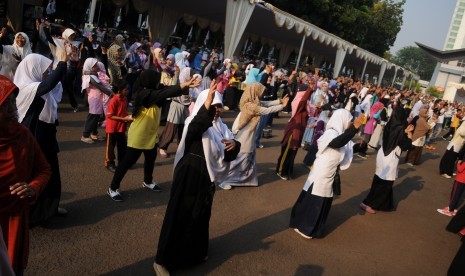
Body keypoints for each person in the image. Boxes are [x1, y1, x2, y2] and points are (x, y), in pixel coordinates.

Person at [154, 83, 240, 276]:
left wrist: (234, 143)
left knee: (200, 217)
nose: (217, 110)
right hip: (189, 177)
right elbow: (195, 129)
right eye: (213, 105)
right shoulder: (195, 122)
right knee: (179, 216)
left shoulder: (222, 128)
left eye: (219, 106)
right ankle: (162, 261)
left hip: (206, 180)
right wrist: (207, 105)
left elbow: (232, 145)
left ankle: (194, 254)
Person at [107, 70, 201, 201]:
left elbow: (167, 89)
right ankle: (113, 187)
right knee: (127, 162)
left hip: (151, 133)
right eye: (156, 79)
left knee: (150, 158)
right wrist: (183, 85)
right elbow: (165, 93)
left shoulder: (154, 89)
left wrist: (185, 85)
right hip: (139, 133)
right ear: (149, 81)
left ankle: (148, 181)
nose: (159, 82)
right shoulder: (143, 93)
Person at [0, 75, 51, 275]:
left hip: (16, 220)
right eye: (5, 105)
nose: (14, 109)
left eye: (14, 101)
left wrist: (33, 188)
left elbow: (44, 169)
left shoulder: (23, 135)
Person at [290, 110, 365, 239]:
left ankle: (305, 225)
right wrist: (354, 128)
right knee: (316, 198)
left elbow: (349, 147)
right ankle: (305, 228)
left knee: (321, 198)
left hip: (329, 172)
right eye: (349, 120)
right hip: (322, 172)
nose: (350, 123)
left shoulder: (341, 134)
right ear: (341, 119)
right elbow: (337, 143)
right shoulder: (331, 133)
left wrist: (361, 146)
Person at [14, 52, 70, 224]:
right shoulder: (26, 88)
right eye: (45, 69)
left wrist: (70, 64)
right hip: (32, 140)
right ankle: (31, 215)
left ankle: (49, 209)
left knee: (51, 175)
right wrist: (62, 63)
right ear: (33, 68)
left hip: (46, 138)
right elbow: (49, 84)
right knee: (34, 177)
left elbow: (58, 84)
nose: (47, 72)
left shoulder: (40, 88)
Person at [218, 82, 288, 190]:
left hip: (248, 133)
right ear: (255, 91)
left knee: (247, 156)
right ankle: (225, 180)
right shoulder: (249, 105)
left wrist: (279, 101)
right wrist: (282, 106)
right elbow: (266, 110)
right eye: (260, 91)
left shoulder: (252, 101)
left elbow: (265, 104)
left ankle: (247, 179)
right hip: (244, 134)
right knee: (242, 157)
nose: (261, 93)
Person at [360, 104, 414, 214]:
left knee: (379, 180)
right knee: (385, 184)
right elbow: (407, 146)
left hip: (383, 154)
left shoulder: (390, 124)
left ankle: (384, 204)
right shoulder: (400, 129)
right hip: (391, 157)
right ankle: (369, 203)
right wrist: (409, 133)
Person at [276, 84, 314, 180]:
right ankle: (280, 171)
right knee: (287, 151)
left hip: (299, 131)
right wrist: (310, 89)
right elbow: (302, 101)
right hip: (293, 130)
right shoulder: (298, 101)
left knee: (293, 152)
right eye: (307, 93)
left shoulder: (306, 104)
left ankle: (288, 171)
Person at [158, 67, 193, 158]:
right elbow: (173, 86)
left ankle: (181, 147)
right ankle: (163, 147)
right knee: (171, 128)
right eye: (190, 74)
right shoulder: (180, 81)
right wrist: (177, 72)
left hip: (185, 107)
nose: (191, 76)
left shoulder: (191, 83)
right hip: (176, 106)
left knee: (183, 129)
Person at [80, 58, 114, 144]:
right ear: (90, 67)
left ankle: (94, 134)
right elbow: (100, 86)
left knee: (96, 116)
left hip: (97, 98)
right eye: (94, 66)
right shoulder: (91, 77)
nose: (97, 67)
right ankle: (85, 135)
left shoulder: (91, 74)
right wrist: (111, 94)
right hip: (94, 99)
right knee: (92, 116)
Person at [104, 79, 132, 173]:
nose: (127, 91)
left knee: (122, 146)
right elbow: (110, 115)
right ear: (119, 90)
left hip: (121, 127)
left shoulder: (125, 99)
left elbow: (123, 112)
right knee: (110, 148)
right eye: (125, 89)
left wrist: (128, 116)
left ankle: (122, 162)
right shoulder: (114, 100)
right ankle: (109, 164)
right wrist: (125, 119)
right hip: (112, 128)